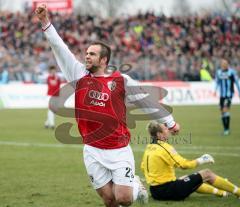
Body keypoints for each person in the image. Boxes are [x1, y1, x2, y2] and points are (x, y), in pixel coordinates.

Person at [35, 4, 180, 207]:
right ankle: (129, 187)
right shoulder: (78, 75)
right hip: (92, 149)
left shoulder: (122, 81)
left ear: (103, 60)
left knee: (124, 199)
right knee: (109, 200)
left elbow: (146, 101)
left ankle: (136, 186)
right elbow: (60, 48)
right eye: (86, 53)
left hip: (119, 148)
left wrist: (170, 123)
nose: (86, 56)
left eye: (92, 54)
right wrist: (45, 22)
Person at [141, 121, 240, 201]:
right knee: (207, 173)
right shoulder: (164, 147)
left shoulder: (149, 147)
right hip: (168, 190)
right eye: (165, 128)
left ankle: (220, 192)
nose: (168, 130)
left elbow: (142, 167)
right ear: (159, 134)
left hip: (155, 191)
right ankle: (238, 192)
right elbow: (183, 165)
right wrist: (202, 160)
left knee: (188, 179)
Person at [214, 59, 240, 135]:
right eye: (222, 63)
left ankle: (227, 130)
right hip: (222, 95)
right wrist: (215, 91)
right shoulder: (219, 72)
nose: (223, 65)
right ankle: (225, 129)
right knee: (222, 112)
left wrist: (239, 92)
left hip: (229, 95)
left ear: (227, 64)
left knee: (225, 110)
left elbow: (236, 82)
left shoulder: (231, 72)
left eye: (225, 63)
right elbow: (217, 82)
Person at [45, 65, 61, 129]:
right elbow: (53, 83)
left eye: (54, 70)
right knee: (51, 109)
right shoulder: (49, 77)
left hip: (56, 96)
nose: (53, 71)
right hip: (50, 95)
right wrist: (55, 78)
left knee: (53, 110)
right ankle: (52, 124)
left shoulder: (58, 77)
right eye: (52, 70)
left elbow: (58, 86)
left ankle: (47, 123)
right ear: (50, 71)